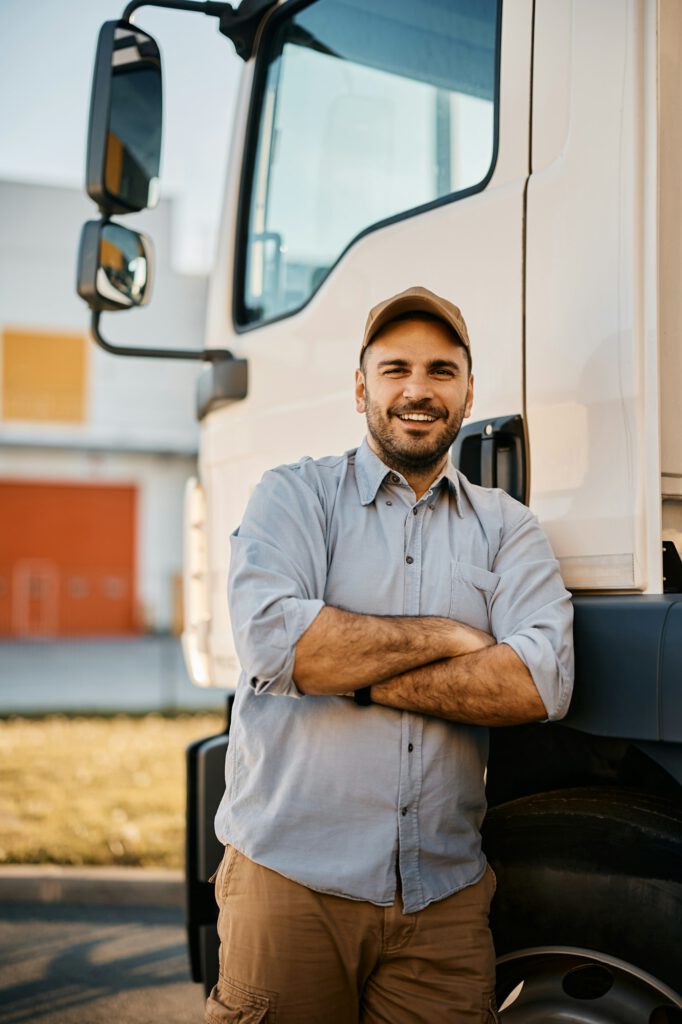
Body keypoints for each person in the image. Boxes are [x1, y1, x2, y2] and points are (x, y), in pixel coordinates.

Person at [206, 286, 574, 1024]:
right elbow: (281, 645)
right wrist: (450, 637)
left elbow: (539, 684)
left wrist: (359, 677)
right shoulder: (294, 496)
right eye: (395, 368)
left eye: (442, 371)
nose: (417, 390)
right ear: (360, 386)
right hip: (293, 890)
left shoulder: (508, 528)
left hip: (442, 906)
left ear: (470, 392)